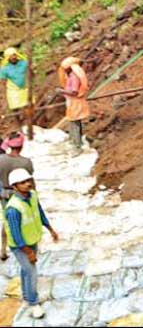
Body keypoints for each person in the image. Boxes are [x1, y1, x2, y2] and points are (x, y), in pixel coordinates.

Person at [5, 168, 59, 320]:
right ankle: (33, 302)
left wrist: (50, 229)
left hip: (32, 239)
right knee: (31, 271)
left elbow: (39, 213)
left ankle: (25, 294)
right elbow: (16, 235)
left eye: (28, 181)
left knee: (26, 270)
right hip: (20, 245)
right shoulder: (13, 209)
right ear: (14, 187)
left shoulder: (33, 195)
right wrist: (28, 252)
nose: (27, 184)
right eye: (23, 182)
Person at [0, 132, 34, 261]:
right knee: (24, 219)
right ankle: (26, 246)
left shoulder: (1, 160)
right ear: (21, 145)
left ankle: (3, 249)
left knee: (7, 220)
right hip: (21, 194)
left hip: (5, 193)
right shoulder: (26, 162)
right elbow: (29, 180)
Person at [57, 57, 89, 155]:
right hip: (73, 102)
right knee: (75, 122)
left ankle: (77, 146)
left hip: (75, 103)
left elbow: (74, 92)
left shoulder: (74, 77)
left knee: (75, 123)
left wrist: (61, 91)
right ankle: (76, 141)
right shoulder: (71, 76)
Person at [1, 48, 30, 122]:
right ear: (7, 58)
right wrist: (5, 96)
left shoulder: (24, 63)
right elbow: (3, 82)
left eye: (14, 55)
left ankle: (29, 121)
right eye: (10, 56)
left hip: (24, 88)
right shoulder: (4, 69)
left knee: (27, 105)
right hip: (13, 90)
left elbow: (30, 72)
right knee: (15, 107)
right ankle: (18, 122)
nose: (13, 57)